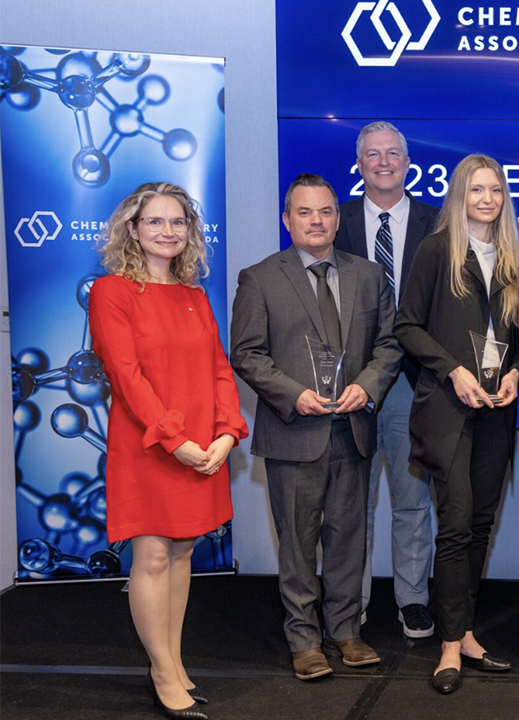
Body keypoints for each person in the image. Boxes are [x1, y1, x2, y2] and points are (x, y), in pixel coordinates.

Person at [230, 174, 402, 681]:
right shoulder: (259, 277)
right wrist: (292, 394)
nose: (317, 221)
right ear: (288, 220)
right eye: (305, 212)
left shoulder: (369, 276)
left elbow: (389, 346)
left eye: (326, 211)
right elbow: (246, 353)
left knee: (349, 539)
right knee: (299, 543)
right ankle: (304, 640)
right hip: (293, 434)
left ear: (337, 217)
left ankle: (345, 632)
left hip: (352, 430)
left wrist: (367, 387)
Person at [89, 182, 248, 720]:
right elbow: (125, 377)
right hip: (149, 444)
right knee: (153, 555)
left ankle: (175, 663)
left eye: (177, 222)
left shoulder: (194, 295)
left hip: (201, 444)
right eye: (155, 222)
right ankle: (161, 672)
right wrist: (174, 439)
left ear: (189, 232)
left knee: (182, 555)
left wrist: (226, 432)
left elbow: (219, 370)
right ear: (133, 229)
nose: (167, 232)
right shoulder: (111, 292)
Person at [394, 153, 519, 695]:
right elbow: (406, 326)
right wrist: (451, 371)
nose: (487, 199)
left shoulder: (518, 261)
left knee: (479, 525)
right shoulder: (434, 250)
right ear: (460, 196)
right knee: (454, 523)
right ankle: (448, 648)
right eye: (477, 190)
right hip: (449, 410)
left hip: (498, 410)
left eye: (495, 190)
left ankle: (466, 632)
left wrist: (517, 372)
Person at [333, 121, 440, 638]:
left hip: (414, 381)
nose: (383, 162)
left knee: (411, 499)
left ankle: (413, 598)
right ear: (359, 164)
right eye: (372, 154)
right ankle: (348, 603)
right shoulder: (337, 220)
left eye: (392, 153)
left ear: (407, 161)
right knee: (353, 500)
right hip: (349, 381)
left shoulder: (438, 222)